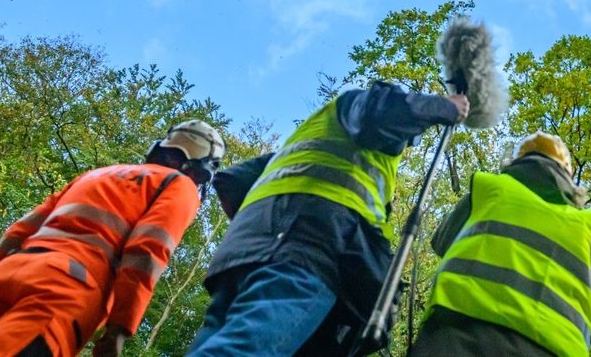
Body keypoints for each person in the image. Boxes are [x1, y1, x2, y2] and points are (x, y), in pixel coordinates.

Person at [188, 81, 468, 356]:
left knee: (224, 342)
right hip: (307, 243)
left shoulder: (305, 143)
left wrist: (262, 230)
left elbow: (231, 180)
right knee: (249, 348)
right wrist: (444, 106)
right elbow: (386, 109)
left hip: (244, 252)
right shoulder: (362, 106)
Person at [0, 120, 225, 357]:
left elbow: (18, 232)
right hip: (63, 290)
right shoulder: (178, 186)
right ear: (200, 167)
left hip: (3, 276)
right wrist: (118, 329)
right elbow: (146, 251)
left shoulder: (95, 175)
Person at [410, 132, 591, 357]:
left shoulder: (489, 189)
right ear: (568, 176)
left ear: (515, 162)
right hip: (550, 349)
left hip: (456, 336)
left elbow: (442, 242)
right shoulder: (585, 226)